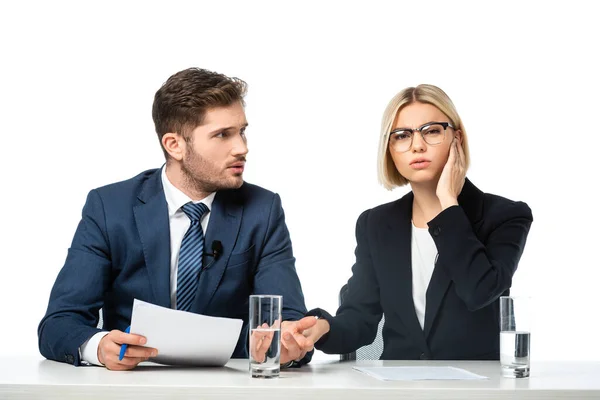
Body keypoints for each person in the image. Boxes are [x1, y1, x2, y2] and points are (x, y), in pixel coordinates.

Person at [38, 67, 315, 370]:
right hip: (133, 385)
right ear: (174, 145)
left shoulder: (263, 209)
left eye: (242, 131)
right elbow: (60, 323)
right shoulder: (109, 208)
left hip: (226, 388)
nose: (242, 148)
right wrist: (99, 347)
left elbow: (290, 321)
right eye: (222, 135)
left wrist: (289, 344)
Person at [303, 84, 533, 360]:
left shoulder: (505, 216)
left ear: (457, 139)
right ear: (390, 149)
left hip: (475, 387)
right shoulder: (376, 224)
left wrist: (448, 201)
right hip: (399, 386)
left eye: (432, 130)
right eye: (401, 136)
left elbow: (479, 291)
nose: (417, 145)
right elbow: (361, 317)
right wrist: (321, 328)